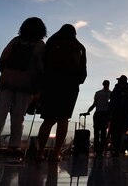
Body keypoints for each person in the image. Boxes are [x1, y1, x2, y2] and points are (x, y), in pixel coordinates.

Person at [0, 17, 47, 161]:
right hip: (26, 86)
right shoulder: (40, 45)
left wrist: (8, 74)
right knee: (18, 116)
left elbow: (2, 60)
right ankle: (14, 146)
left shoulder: (15, 41)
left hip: (6, 82)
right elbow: (41, 68)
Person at [36, 24, 87, 162]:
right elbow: (83, 73)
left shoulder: (52, 43)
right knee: (63, 119)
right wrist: (76, 81)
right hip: (70, 87)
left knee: (48, 119)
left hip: (51, 84)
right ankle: (56, 153)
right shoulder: (79, 47)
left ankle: (40, 152)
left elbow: (43, 64)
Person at [108, 75, 128, 156]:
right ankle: (116, 149)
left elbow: (112, 101)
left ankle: (116, 149)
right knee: (118, 132)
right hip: (122, 114)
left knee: (116, 132)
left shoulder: (118, 90)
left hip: (118, 114)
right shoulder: (127, 90)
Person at [86, 80, 111, 157]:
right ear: (108, 84)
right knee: (103, 133)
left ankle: (97, 150)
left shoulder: (98, 93)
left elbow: (94, 104)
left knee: (96, 133)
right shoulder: (111, 93)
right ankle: (100, 151)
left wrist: (88, 111)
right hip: (105, 114)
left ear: (103, 84)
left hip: (98, 114)